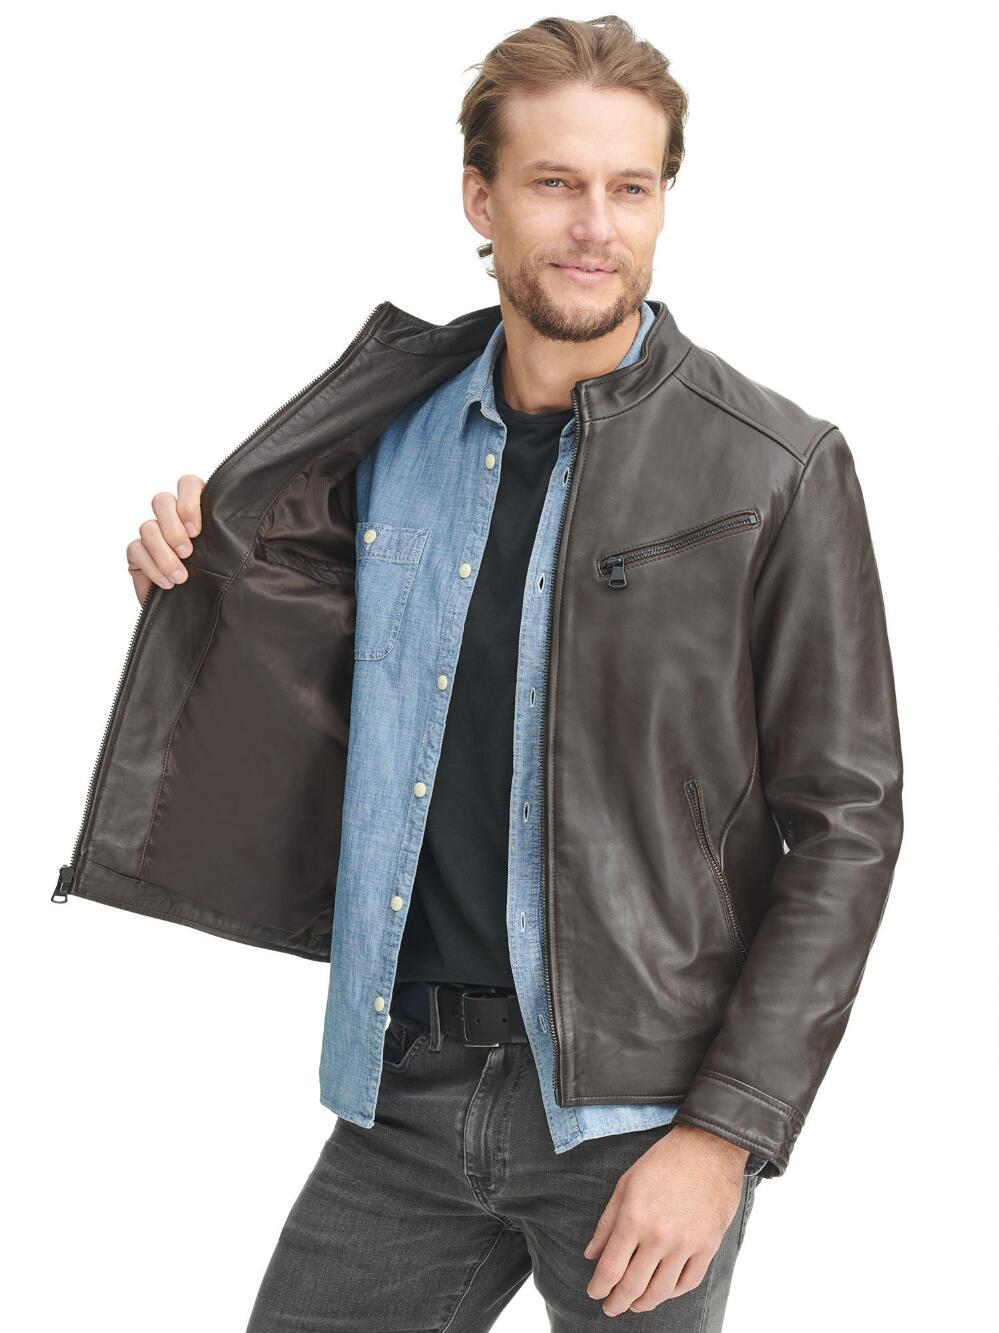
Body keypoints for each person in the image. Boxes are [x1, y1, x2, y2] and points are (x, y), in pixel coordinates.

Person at [64, 15, 903, 1331]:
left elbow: (850, 822)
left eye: (632, 188)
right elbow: (314, 676)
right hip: (403, 1087)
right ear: (480, 197)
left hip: (639, 1116)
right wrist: (197, 580)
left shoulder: (774, 467)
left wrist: (724, 1135)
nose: (595, 227)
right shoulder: (387, 432)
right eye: (555, 182)